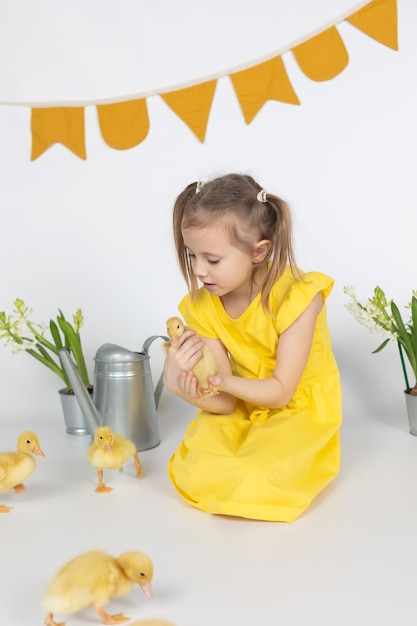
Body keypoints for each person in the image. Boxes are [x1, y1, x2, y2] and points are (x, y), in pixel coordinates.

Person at [163, 173, 342, 522]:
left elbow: (279, 392)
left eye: (212, 260)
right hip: (243, 399)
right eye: (192, 255)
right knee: (199, 465)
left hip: (296, 406)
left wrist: (220, 381)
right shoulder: (202, 306)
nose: (199, 269)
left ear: (258, 251)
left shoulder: (298, 297)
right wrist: (176, 381)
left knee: (259, 474)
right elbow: (225, 402)